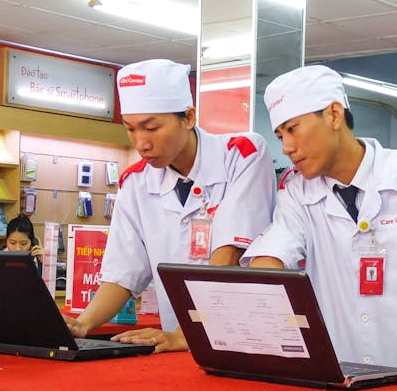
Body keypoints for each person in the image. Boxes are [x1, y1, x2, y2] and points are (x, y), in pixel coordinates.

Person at [240, 65, 397, 385]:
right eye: (280, 135)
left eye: (293, 129)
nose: (286, 148)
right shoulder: (296, 190)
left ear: (334, 115)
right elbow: (274, 254)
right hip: (348, 382)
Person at [65, 58, 276, 351]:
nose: (141, 143)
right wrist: (83, 322)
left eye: (151, 128)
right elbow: (123, 274)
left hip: (248, 341)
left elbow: (228, 256)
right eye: (130, 129)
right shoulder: (135, 183)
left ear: (188, 118)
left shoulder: (241, 155)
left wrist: (185, 335)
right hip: (178, 347)